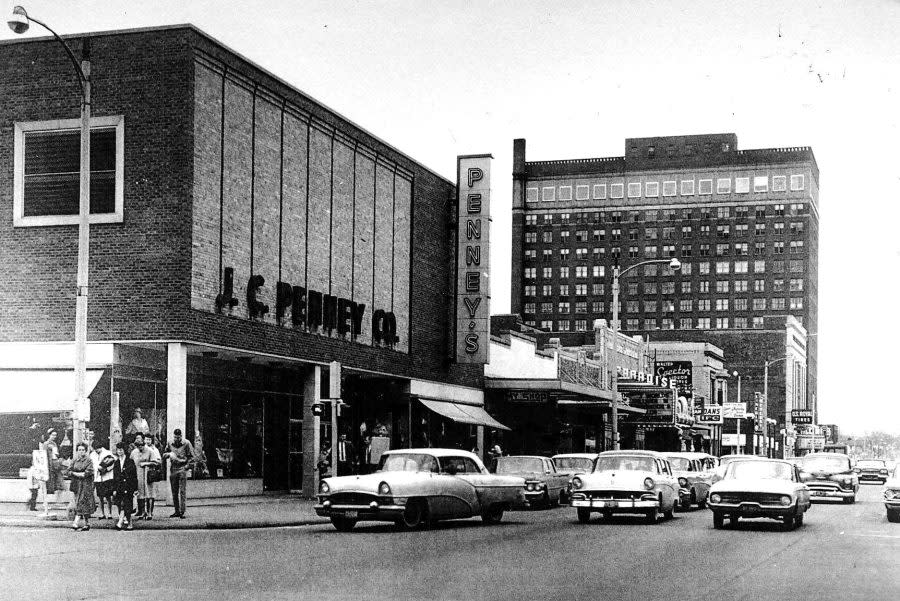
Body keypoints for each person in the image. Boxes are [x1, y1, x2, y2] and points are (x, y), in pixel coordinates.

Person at [163, 428, 195, 518]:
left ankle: (182, 511)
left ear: (181, 436)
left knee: (182, 491)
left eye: (178, 437)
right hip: (173, 468)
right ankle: (176, 510)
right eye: (175, 437)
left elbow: (192, 458)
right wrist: (168, 454)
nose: (177, 439)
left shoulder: (187, 443)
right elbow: (164, 453)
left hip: (182, 467)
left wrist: (186, 467)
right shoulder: (170, 443)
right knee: (174, 491)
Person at [129, 433, 158, 520]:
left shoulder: (150, 451)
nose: (140, 447)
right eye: (138, 446)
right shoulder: (134, 452)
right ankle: (141, 512)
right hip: (138, 475)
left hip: (148, 475)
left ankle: (149, 513)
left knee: (149, 494)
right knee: (140, 494)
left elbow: (156, 462)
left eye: (142, 445)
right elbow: (130, 463)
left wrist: (146, 463)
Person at [68, 442, 96, 531]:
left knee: (81, 502)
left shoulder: (89, 461)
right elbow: (68, 471)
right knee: (81, 503)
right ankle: (87, 523)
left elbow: (87, 473)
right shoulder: (74, 460)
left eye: (83, 450)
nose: (81, 452)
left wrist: (74, 473)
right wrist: (74, 473)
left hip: (86, 484)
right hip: (76, 484)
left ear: (86, 451)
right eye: (79, 450)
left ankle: (75, 522)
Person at [112, 442, 138, 531]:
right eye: (118, 450)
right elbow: (115, 477)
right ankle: (126, 522)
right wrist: (114, 489)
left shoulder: (130, 461)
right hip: (119, 486)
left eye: (121, 450)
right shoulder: (116, 462)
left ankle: (122, 522)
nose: (119, 451)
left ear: (124, 450)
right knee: (121, 504)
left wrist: (135, 488)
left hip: (128, 486)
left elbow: (134, 475)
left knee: (126, 504)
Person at [90, 440, 116, 520]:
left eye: (98, 448)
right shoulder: (92, 455)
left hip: (107, 477)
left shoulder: (108, 453)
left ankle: (110, 513)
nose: (97, 450)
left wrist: (107, 469)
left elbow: (114, 463)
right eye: (95, 449)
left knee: (108, 496)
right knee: (100, 497)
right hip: (97, 478)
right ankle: (102, 513)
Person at [26, 441, 49, 514]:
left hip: (32, 485)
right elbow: (34, 477)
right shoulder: (33, 469)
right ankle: (32, 506)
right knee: (34, 495)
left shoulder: (32, 469)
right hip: (33, 485)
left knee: (34, 495)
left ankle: (30, 504)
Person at [143, 435, 163, 519]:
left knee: (151, 493)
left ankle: (150, 512)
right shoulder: (142, 449)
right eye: (146, 439)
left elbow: (159, 461)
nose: (148, 441)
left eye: (149, 439)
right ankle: (143, 511)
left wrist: (150, 463)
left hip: (150, 472)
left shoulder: (155, 450)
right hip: (142, 473)